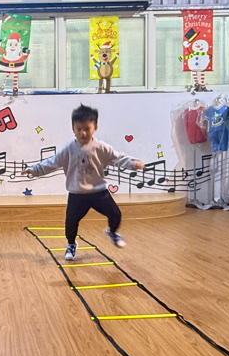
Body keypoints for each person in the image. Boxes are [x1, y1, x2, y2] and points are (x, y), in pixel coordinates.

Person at [27, 104, 143, 259]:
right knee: (70, 223)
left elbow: (118, 158)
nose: (83, 133)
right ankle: (71, 244)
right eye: (79, 129)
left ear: (95, 127)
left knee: (115, 214)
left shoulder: (101, 147)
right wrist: (34, 170)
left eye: (87, 129)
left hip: (98, 192)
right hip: (77, 194)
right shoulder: (69, 149)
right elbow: (52, 162)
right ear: (73, 129)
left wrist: (133, 164)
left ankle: (112, 232)